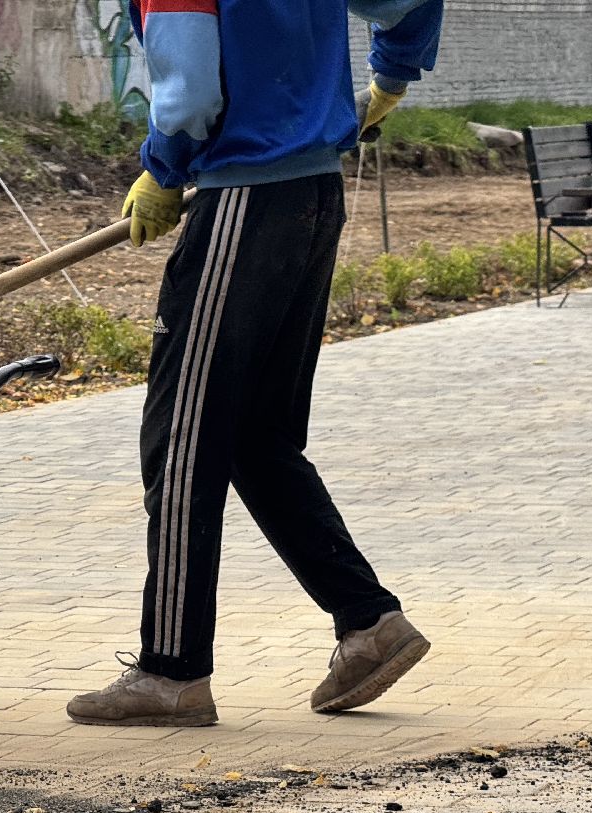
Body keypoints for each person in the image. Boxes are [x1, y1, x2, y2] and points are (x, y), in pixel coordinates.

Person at [67, 0, 442, 728]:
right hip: (312, 192)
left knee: (181, 442)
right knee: (253, 438)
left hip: (246, 195)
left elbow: (191, 95)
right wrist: (389, 80)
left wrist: (166, 167)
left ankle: (172, 672)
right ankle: (370, 624)